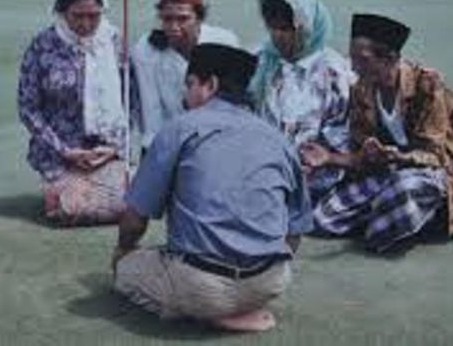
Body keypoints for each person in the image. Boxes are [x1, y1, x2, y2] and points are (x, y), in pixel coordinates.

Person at [113, 43, 312, 332]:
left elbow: (135, 219)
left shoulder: (180, 127)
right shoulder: (279, 140)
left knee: (126, 271)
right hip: (270, 280)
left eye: (190, 84)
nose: (185, 94)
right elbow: (295, 231)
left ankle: (210, 311)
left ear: (210, 85)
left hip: (201, 283)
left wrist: (123, 250)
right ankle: (238, 304)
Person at [302, 13, 453, 254]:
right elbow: (362, 156)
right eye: (352, 58)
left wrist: (399, 157)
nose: (353, 67)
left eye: (361, 59)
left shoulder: (428, 85)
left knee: (404, 189)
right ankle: (395, 218)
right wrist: (329, 158)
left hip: (429, 175)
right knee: (322, 220)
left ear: (389, 58)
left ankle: (416, 216)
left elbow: (437, 156)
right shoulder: (362, 89)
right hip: (388, 172)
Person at [17, 0, 128, 226]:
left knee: (135, 206)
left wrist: (113, 148)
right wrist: (66, 151)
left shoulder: (114, 42)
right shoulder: (42, 46)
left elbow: (129, 101)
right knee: (72, 210)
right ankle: (68, 193)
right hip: (59, 153)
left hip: (105, 151)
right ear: (61, 11)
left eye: (94, 16)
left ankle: (82, 192)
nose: (86, 24)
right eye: (77, 16)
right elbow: (28, 108)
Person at [248, 0, 354, 202]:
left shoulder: (335, 71)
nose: (278, 35)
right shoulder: (257, 61)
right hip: (259, 170)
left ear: (307, 28)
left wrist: (313, 160)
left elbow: (341, 128)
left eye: (286, 28)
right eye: (273, 27)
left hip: (317, 176)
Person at [131, 0, 240, 152]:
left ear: (199, 18)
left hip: (218, 141)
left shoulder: (225, 43)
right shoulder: (147, 50)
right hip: (169, 142)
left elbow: (233, 106)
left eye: (183, 19)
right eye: (167, 19)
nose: (174, 27)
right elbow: (152, 114)